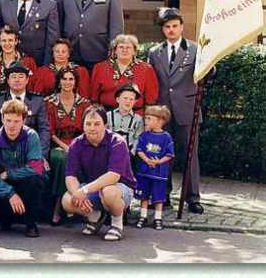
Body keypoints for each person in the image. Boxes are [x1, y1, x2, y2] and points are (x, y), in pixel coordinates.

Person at [147, 7, 204, 214]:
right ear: (163, 29)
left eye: (174, 26)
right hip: (162, 112)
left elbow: (206, 73)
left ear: (181, 27)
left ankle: (192, 197)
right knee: (162, 154)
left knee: (190, 155)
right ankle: (162, 195)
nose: (171, 30)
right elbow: (151, 81)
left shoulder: (196, 49)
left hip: (187, 109)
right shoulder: (154, 52)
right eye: (167, 27)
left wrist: (210, 66)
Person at [62, 105, 136, 241]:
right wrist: (77, 194)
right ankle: (94, 218)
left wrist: (84, 191)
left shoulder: (117, 142)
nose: (92, 128)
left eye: (97, 124)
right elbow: (70, 175)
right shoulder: (76, 144)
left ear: (105, 125)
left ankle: (116, 224)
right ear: (83, 125)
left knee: (108, 192)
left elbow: (113, 176)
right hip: (91, 188)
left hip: (119, 188)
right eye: (88, 124)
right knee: (67, 200)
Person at [0, 99, 46, 237]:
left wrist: (10, 174)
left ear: (23, 121)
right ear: (2, 119)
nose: (12, 125)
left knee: (36, 179)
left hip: (23, 181)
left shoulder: (31, 136)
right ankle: (3, 219)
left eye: (16, 121)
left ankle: (31, 223)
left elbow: (36, 167)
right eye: (8, 120)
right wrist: (10, 193)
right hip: (2, 185)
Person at [44, 67, 91, 225]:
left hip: (80, 144)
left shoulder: (84, 104)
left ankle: (71, 204)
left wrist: (75, 147)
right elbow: (49, 131)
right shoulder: (49, 102)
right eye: (64, 79)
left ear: (76, 82)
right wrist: (64, 146)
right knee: (61, 158)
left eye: (71, 79)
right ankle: (59, 204)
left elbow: (87, 129)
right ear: (59, 81)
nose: (67, 82)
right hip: (57, 143)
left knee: (77, 158)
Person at [0, 0, 59, 66]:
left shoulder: (49, 5)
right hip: (8, 60)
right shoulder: (3, 2)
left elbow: (52, 39)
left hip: (37, 60)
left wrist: (46, 65)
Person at [0, 62, 50, 155]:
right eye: (13, 77)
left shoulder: (37, 101)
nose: (17, 80)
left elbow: (44, 130)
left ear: (27, 80)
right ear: (8, 80)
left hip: (31, 148)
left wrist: (39, 154)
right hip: (6, 150)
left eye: (21, 76)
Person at [90, 34, 159, 113]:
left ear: (134, 51)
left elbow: (151, 100)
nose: (124, 50)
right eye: (121, 47)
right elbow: (94, 97)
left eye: (128, 47)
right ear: (115, 50)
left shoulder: (146, 69)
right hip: (106, 115)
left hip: (136, 116)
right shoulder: (100, 68)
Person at [134, 105, 174, 231]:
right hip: (145, 171)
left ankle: (158, 217)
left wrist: (158, 162)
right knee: (144, 195)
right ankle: (143, 216)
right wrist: (146, 160)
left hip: (159, 173)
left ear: (160, 120)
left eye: (149, 118)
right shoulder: (145, 135)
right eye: (146, 118)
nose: (146, 121)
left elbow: (169, 154)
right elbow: (139, 149)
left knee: (159, 196)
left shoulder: (166, 137)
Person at [0, 25, 40, 95]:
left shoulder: (28, 62)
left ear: (16, 42)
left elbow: (33, 87)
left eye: (10, 40)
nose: (7, 44)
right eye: (4, 41)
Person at [107, 83, 145, 156]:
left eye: (131, 99)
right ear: (118, 99)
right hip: (110, 152)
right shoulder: (108, 116)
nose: (128, 101)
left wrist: (132, 153)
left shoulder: (138, 119)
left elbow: (138, 138)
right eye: (125, 98)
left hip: (128, 154)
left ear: (135, 102)